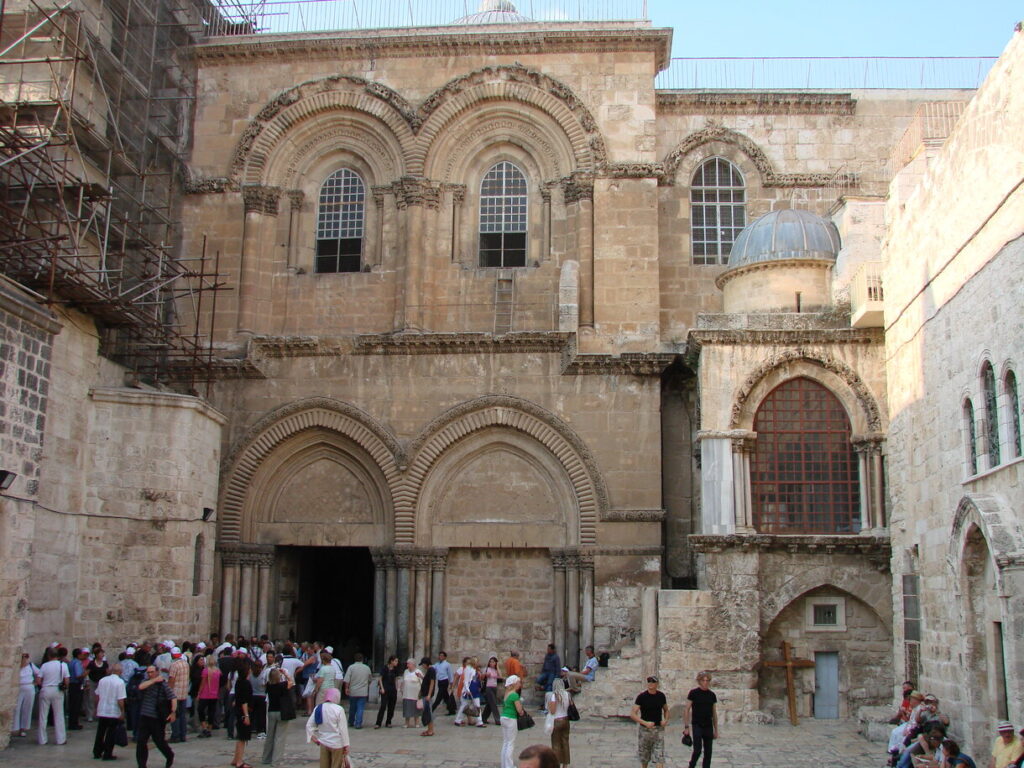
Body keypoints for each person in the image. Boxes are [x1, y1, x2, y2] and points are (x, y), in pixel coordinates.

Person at [136, 664, 176, 768]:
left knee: (159, 741)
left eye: (152, 672)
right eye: (148, 672)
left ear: (157, 672)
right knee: (141, 741)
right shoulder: (146, 682)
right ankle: (142, 765)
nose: (150, 674)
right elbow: (140, 687)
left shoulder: (163, 685)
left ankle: (169, 755)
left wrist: (173, 712)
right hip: (145, 715)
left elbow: (173, 697)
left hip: (157, 718)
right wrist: (153, 680)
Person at [306, 687, 350, 768]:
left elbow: (309, 725)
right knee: (336, 765)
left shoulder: (318, 708)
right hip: (337, 743)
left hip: (324, 742)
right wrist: (346, 744)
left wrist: (312, 736)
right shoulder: (339, 709)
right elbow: (343, 729)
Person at [630, 675, 668, 768]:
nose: (651, 684)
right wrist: (645, 723)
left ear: (657, 684)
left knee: (659, 757)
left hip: (658, 729)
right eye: (649, 682)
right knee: (644, 757)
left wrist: (665, 720)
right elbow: (633, 714)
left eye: (653, 682)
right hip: (645, 730)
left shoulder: (661, 696)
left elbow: (666, 709)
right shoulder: (642, 697)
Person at [683, 670, 718, 768]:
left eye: (707, 680)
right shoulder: (693, 693)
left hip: (708, 726)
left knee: (708, 753)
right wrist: (686, 727)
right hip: (697, 725)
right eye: (703, 680)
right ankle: (691, 766)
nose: (705, 683)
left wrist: (716, 730)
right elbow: (687, 709)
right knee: (697, 750)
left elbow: (714, 713)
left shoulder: (712, 695)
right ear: (699, 681)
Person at [93, 662, 126, 761]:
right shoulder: (120, 682)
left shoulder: (102, 680)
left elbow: (97, 696)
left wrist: (96, 708)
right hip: (112, 711)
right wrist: (122, 712)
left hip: (102, 709)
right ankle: (108, 753)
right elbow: (120, 700)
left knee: (100, 732)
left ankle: (97, 751)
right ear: (120, 671)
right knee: (111, 733)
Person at [37, 646, 69, 746]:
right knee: (59, 715)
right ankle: (61, 739)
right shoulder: (63, 665)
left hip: (46, 689)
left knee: (43, 716)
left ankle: (42, 739)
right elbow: (67, 680)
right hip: (57, 690)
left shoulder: (44, 666)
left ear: (48, 655)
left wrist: (44, 685)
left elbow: (38, 680)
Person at [262, 667, 295, 765]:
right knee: (279, 737)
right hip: (281, 712)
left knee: (270, 736)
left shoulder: (268, 686)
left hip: (271, 711)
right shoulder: (283, 685)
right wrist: (285, 673)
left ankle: (266, 759)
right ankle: (276, 761)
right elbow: (291, 682)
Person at [231, 658, 254, 768]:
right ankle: (239, 761)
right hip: (243, 712)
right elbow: (244, 701)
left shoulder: (239, 682)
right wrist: (246, 715)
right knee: (242, 738)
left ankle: (236, 759)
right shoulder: (245, 683)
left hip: (238, 710)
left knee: (240, 736)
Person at [500, 675, 525, 768]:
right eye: (518, 683)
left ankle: (504, 764)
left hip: (504, 717)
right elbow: (519, 710)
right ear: (514, 684)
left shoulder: (507, 694)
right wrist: (522, 711)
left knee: (506, 742)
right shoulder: (514, 695)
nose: (520, 684)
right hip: (511, 718)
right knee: (510, 743)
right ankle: (509, 766)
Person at [546, 677, 571, 767]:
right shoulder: (567, 694)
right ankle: (565, 764)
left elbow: (553, 711)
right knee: (565, 742)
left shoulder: (554, 696)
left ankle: (556, 763)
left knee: (556, 744)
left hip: (557, 720)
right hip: (565, 720)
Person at [12, 652, 39, 737]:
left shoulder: (30, 665)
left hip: (29, 687)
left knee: (27, 708)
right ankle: (15, 728)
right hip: (19, 687)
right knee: (17, 708)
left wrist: (36, 682)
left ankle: (23, 728)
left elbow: (39, 673)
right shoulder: (17, 667)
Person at [343, 652, 371, 729]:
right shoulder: (367, 668)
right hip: (363, 691)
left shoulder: (351, 667)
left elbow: (347, 680)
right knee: (360, 708)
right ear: (362, 659)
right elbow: (370, 679)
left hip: (353, 691)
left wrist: (346, 688)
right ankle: (358, 723)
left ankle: (351, 721)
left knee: (352, 707)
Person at [167, 647, 190, 743]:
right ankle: (183, 735)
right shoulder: (186, 664)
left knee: (174, 714)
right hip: (184, 693)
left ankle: (175, 735)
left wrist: (168, 692)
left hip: (175, 694)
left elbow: (171, 680)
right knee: (182, 715)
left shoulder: (174, 665)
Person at [197, 652, 221, 737]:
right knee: (211, 711)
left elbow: (202, 683)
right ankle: (210, 729)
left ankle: (204, 727)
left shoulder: (205, 671)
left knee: (201, 710)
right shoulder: (218, 671)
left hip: (205, 694)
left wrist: (199, 693)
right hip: (214, 694)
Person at [454, 656, 482, 726]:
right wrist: (467, 690)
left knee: (477, 705)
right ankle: (458, 720)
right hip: (469, 690)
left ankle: (479, 722)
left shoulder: (475, 670)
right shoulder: (468, 669)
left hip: (475, 690)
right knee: (464, 705)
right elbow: (465, 681)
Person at [374, 656, 399, 729]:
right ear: (391, 661)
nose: (396, 663)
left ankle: (388, 722)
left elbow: (396, 679)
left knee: (391, 706)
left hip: (393, 689)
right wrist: (382, 688)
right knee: (383, 706)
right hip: (385, 689)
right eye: (395, 661)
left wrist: (397, 687)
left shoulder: (395, 669)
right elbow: (380, 678)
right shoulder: (384, 668)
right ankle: (378, 723)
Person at [68, 647, 88, 730]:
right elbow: (78, 675)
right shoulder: (77, 663)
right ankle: (74, 724)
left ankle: (72, 722)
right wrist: (86, 673)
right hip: (76, 685)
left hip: (72, 685)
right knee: (76, 705)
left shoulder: (71, 662)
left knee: (72, 705)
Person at [401, 658, 423, 728]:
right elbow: (403, 681)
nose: (407, 665)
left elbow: (422, 682)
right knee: (407, 708)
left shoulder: (418, 671)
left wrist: (421, 692)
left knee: (415, 708)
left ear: (413, 664)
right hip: (406, 694)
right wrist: (401, 689)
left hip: (415, 694)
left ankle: (416, 722)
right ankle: (406, 723)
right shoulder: (406, 671)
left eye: (408, 664)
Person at [480, 656, 502, 725]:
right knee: (493, 703)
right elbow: (482, 677)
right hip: (488, 687)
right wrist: (486, 674)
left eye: (493, 662)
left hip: (494, 687)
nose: (491, 663)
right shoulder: (487, 669)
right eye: (490, 662)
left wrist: (497, 667)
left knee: (490, 704)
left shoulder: (496, 670)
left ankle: (483, 718)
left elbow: (500, 676)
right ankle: (497, 719)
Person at [419, 657, 437, 737]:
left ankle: (430, 730)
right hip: (425, 694)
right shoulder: (429, 671)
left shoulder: (431, 670)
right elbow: (427, 681)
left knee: (428, 712)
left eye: (423, 664)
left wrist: (429, 694)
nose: (423, 666)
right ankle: (430, 729)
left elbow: (432, 682)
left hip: (427, 695)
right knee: (427, 712)